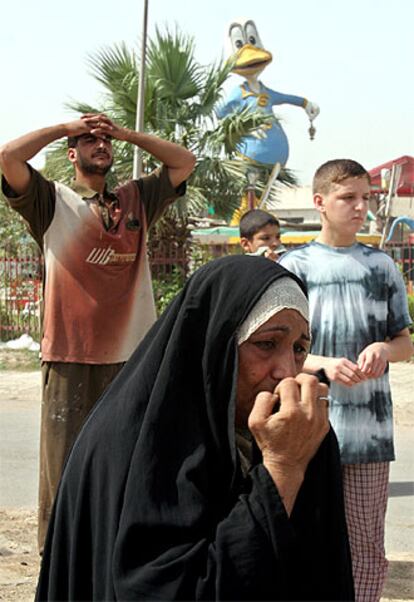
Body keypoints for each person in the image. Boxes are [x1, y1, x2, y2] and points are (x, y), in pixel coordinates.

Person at [35, 255, 354, 601]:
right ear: (215, 344)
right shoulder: (130, 445)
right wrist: (282, 470)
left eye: (299, 349)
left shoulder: (297, 434)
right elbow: (171, 589)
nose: (286, 371)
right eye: (266, 344)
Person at [0, 113, 196, 552]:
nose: (100, 145)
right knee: (63, 466)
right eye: (88, 141)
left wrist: (126, 134)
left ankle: (117, 553)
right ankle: (58, 557)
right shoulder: (50, 201)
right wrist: (65, 127)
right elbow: (9, 156)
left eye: (105, 141)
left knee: (127, 459)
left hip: (133, 358)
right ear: (72, 152)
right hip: (70, 355)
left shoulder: (137, 199)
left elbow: (184, 161)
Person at [279, 159, 413, 602]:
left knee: (366, 545)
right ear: (319, 202)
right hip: (304, 426)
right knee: (300, 534)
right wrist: (321, 363)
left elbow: (403, 343)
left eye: (366, 198)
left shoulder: (382, 268)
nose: (360, 208)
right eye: (348, 198)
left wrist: (383, 350)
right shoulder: (292, 267)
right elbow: (271, 351)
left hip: (369, 433)